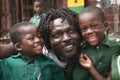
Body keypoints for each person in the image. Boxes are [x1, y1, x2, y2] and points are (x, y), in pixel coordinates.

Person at [0, 21, 64, 80]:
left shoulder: (50, 64)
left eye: (39, 36)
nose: (38, 40)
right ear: (18, 46)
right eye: (31, 38)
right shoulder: (7, 64)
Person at [72, 6, 120, 80]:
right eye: (84, 29)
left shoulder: (116, 47)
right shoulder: (79, 51)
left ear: (105, 25)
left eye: (94, 26)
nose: (89, 32)